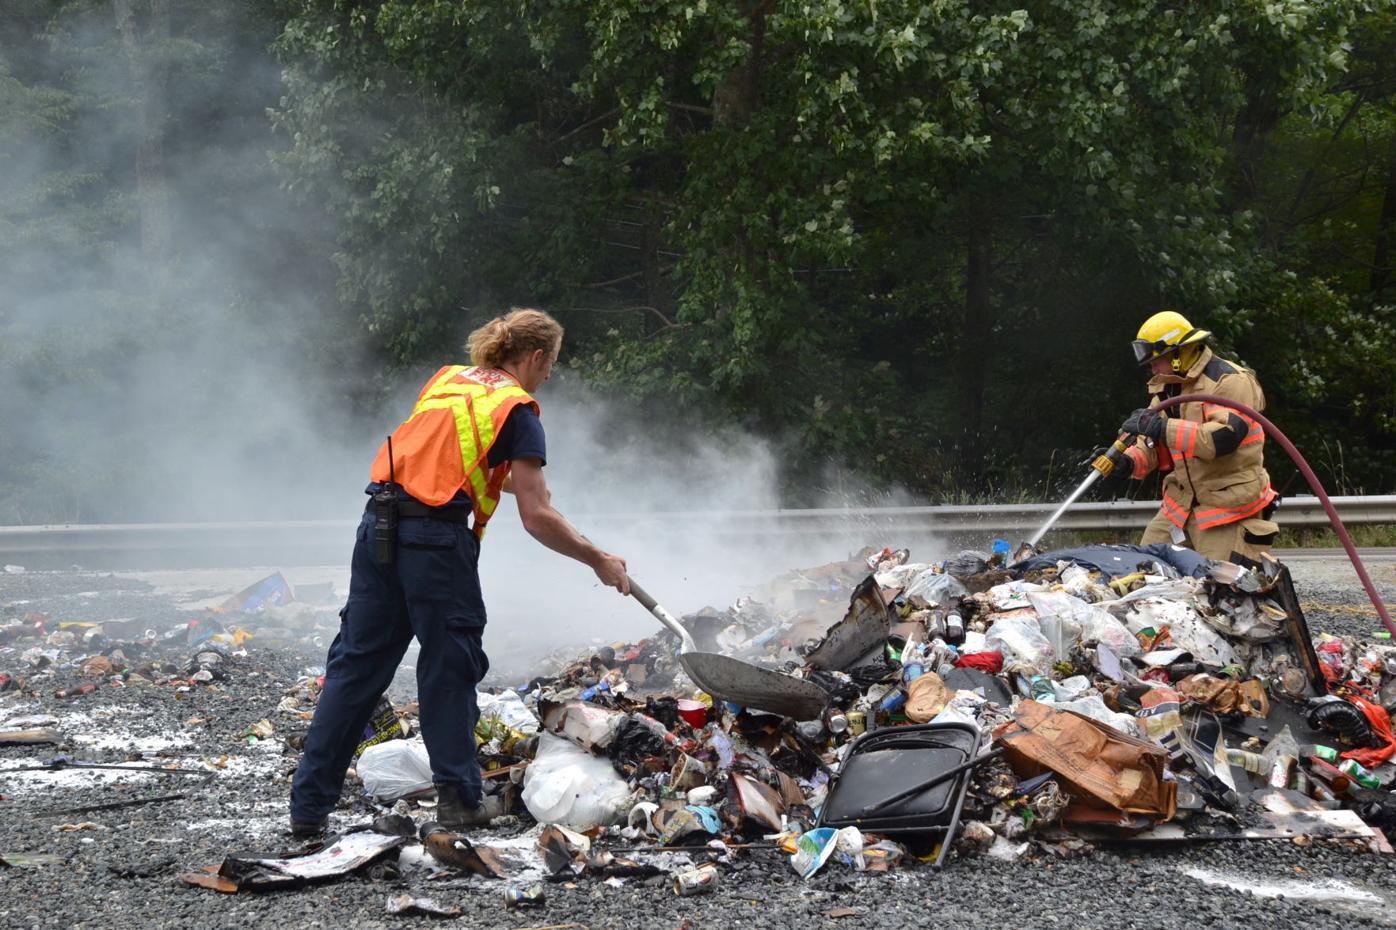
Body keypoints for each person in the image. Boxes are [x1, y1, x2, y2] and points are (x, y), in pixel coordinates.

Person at [289, 308, 630, 836]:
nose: (549, 376)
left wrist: (520, 480)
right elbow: (537, 518)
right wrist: (599, 559)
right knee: (450, 666)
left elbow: (447, 460)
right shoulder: (519, 408)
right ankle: (458, 800)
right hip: (433, 544)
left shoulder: (448, 381)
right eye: (552, 364)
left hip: (378, 527)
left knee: (357, 668)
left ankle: (307, 809)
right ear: (536, 357)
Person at [1116, 310, 1279, 563]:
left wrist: (1162, 428)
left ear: (1179, 354)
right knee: (1145, 571)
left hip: (1226, 508)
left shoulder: (1230, 381)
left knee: (1221, 589)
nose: (1151, 366)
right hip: (1180, 508)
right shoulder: (1167, 388)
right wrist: (1127, 462)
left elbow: (1221, 440)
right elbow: (1150, 446)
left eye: (1157, 359)